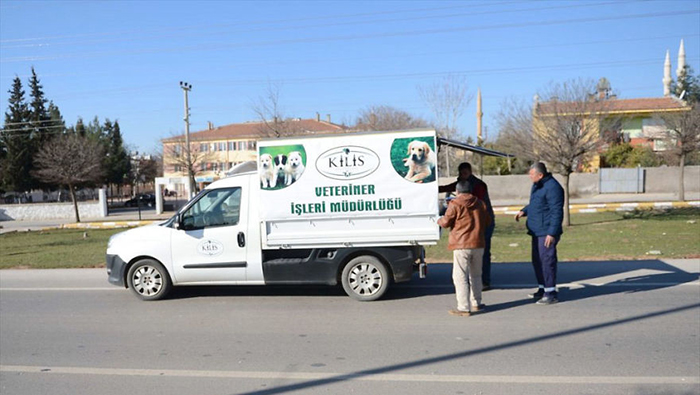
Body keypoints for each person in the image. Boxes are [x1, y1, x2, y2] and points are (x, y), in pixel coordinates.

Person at [438, 180, 492, 317]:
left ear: (457, 191)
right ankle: (477, 303)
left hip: (461, 244)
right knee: (476, 275)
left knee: (460, 276)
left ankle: (463, 307)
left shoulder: (455, 204)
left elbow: (445, 223)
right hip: (478, 243)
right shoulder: (480, 203)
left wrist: (438, 219)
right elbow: (487, 221)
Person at [439, 162, 495, 290]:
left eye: (464, 173)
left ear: (470, 172)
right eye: (460, 173)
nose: (462, 176)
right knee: (475, 252)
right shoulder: (461, 184)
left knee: (483, 252)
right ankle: (476, 282)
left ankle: (484, 281)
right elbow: (448, 187)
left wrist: (457, 202)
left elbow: (476, 202)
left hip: (483, 222)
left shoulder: (479, 185)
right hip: (472, 222)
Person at [515, 162, 565, 305]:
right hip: (536, 230)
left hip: (546, 231)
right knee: (537, 261)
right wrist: (524, 210)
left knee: (547, 262)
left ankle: (550, 293)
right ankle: (542, 288)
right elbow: (536, 204)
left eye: (532, 174)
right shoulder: (538, 185)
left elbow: (556, 212)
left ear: (540, 174)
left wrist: (552, 233)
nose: (529, 177)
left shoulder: (553, 188)